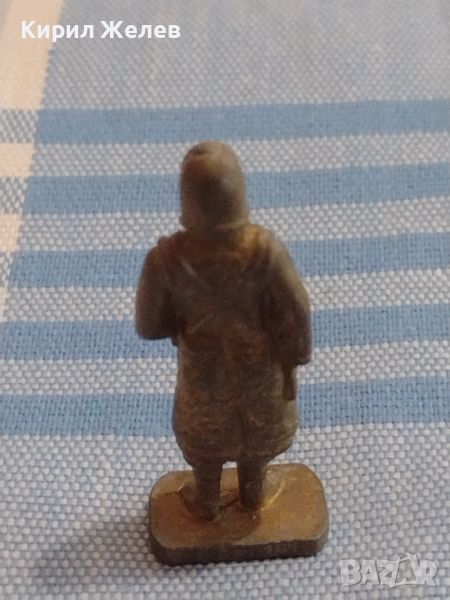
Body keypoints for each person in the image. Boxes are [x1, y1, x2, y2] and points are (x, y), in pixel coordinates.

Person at [136, 141, 312, 520]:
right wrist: (297, 355)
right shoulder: (266, 251)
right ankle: (253, 493)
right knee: (256, 433)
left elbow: (148, 326)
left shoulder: (166, 259)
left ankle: (206, 500)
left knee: (206, 437)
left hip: (203, 372)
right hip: (260, 368)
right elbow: (297, 311)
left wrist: (183, 327)